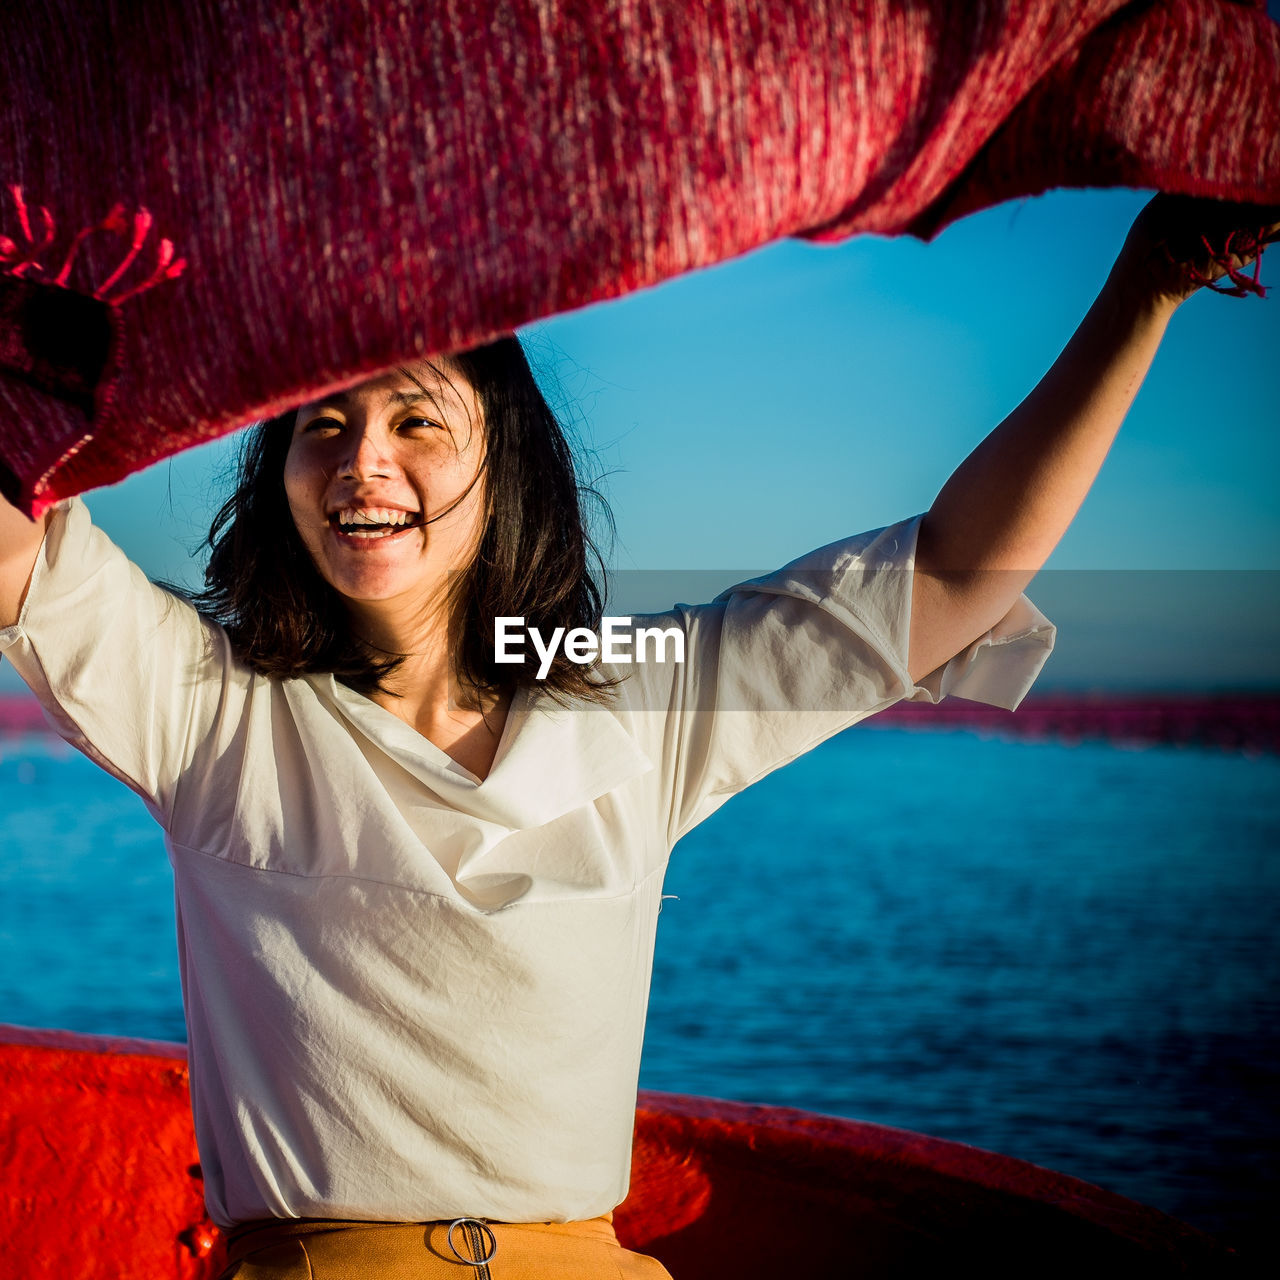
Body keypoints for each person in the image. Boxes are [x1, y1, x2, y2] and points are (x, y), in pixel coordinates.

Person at [0, 193, 1272, 1277]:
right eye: (317, 426)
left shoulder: (617, 686)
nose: (359, 464)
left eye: (416, 421)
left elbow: (945, 578)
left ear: (502, 463)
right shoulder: (217, 706)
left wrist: (1144, 288)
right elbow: (19, 545)